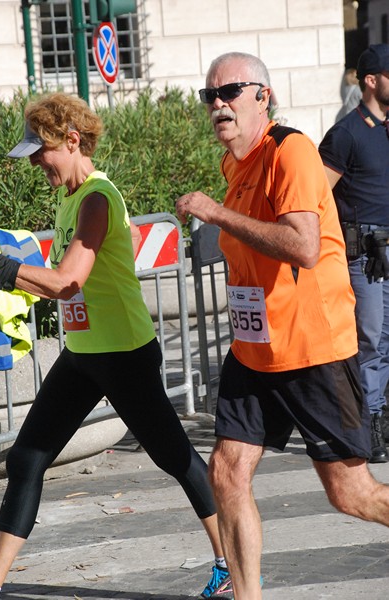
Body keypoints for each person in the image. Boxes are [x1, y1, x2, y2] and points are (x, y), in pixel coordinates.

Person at [0, 92, 227, 600]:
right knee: (28, 458)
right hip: (84, 355)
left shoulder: (97, 198)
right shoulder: (68, 195)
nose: (34, 162)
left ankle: (231, 565)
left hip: (123, 356)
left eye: (41, 150)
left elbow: (67, 282)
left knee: (176, 457)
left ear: (72, 141)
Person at [175, 51, 389, 600]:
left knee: (352, 494)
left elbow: (304, 246)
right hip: (255, 348)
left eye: (230, 92)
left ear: (262, 97)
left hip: (311, 348)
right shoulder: (234, 165)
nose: (218, 104)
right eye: (210, 96)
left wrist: (214, 214)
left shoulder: (289, 150)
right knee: (226, 472)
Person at [319, 44, 389, 463]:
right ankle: (368, 426)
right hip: (364, 254)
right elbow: (316, 197)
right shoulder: (346, 133)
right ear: (371, 80)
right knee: (370, 342)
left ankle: (382, 418)